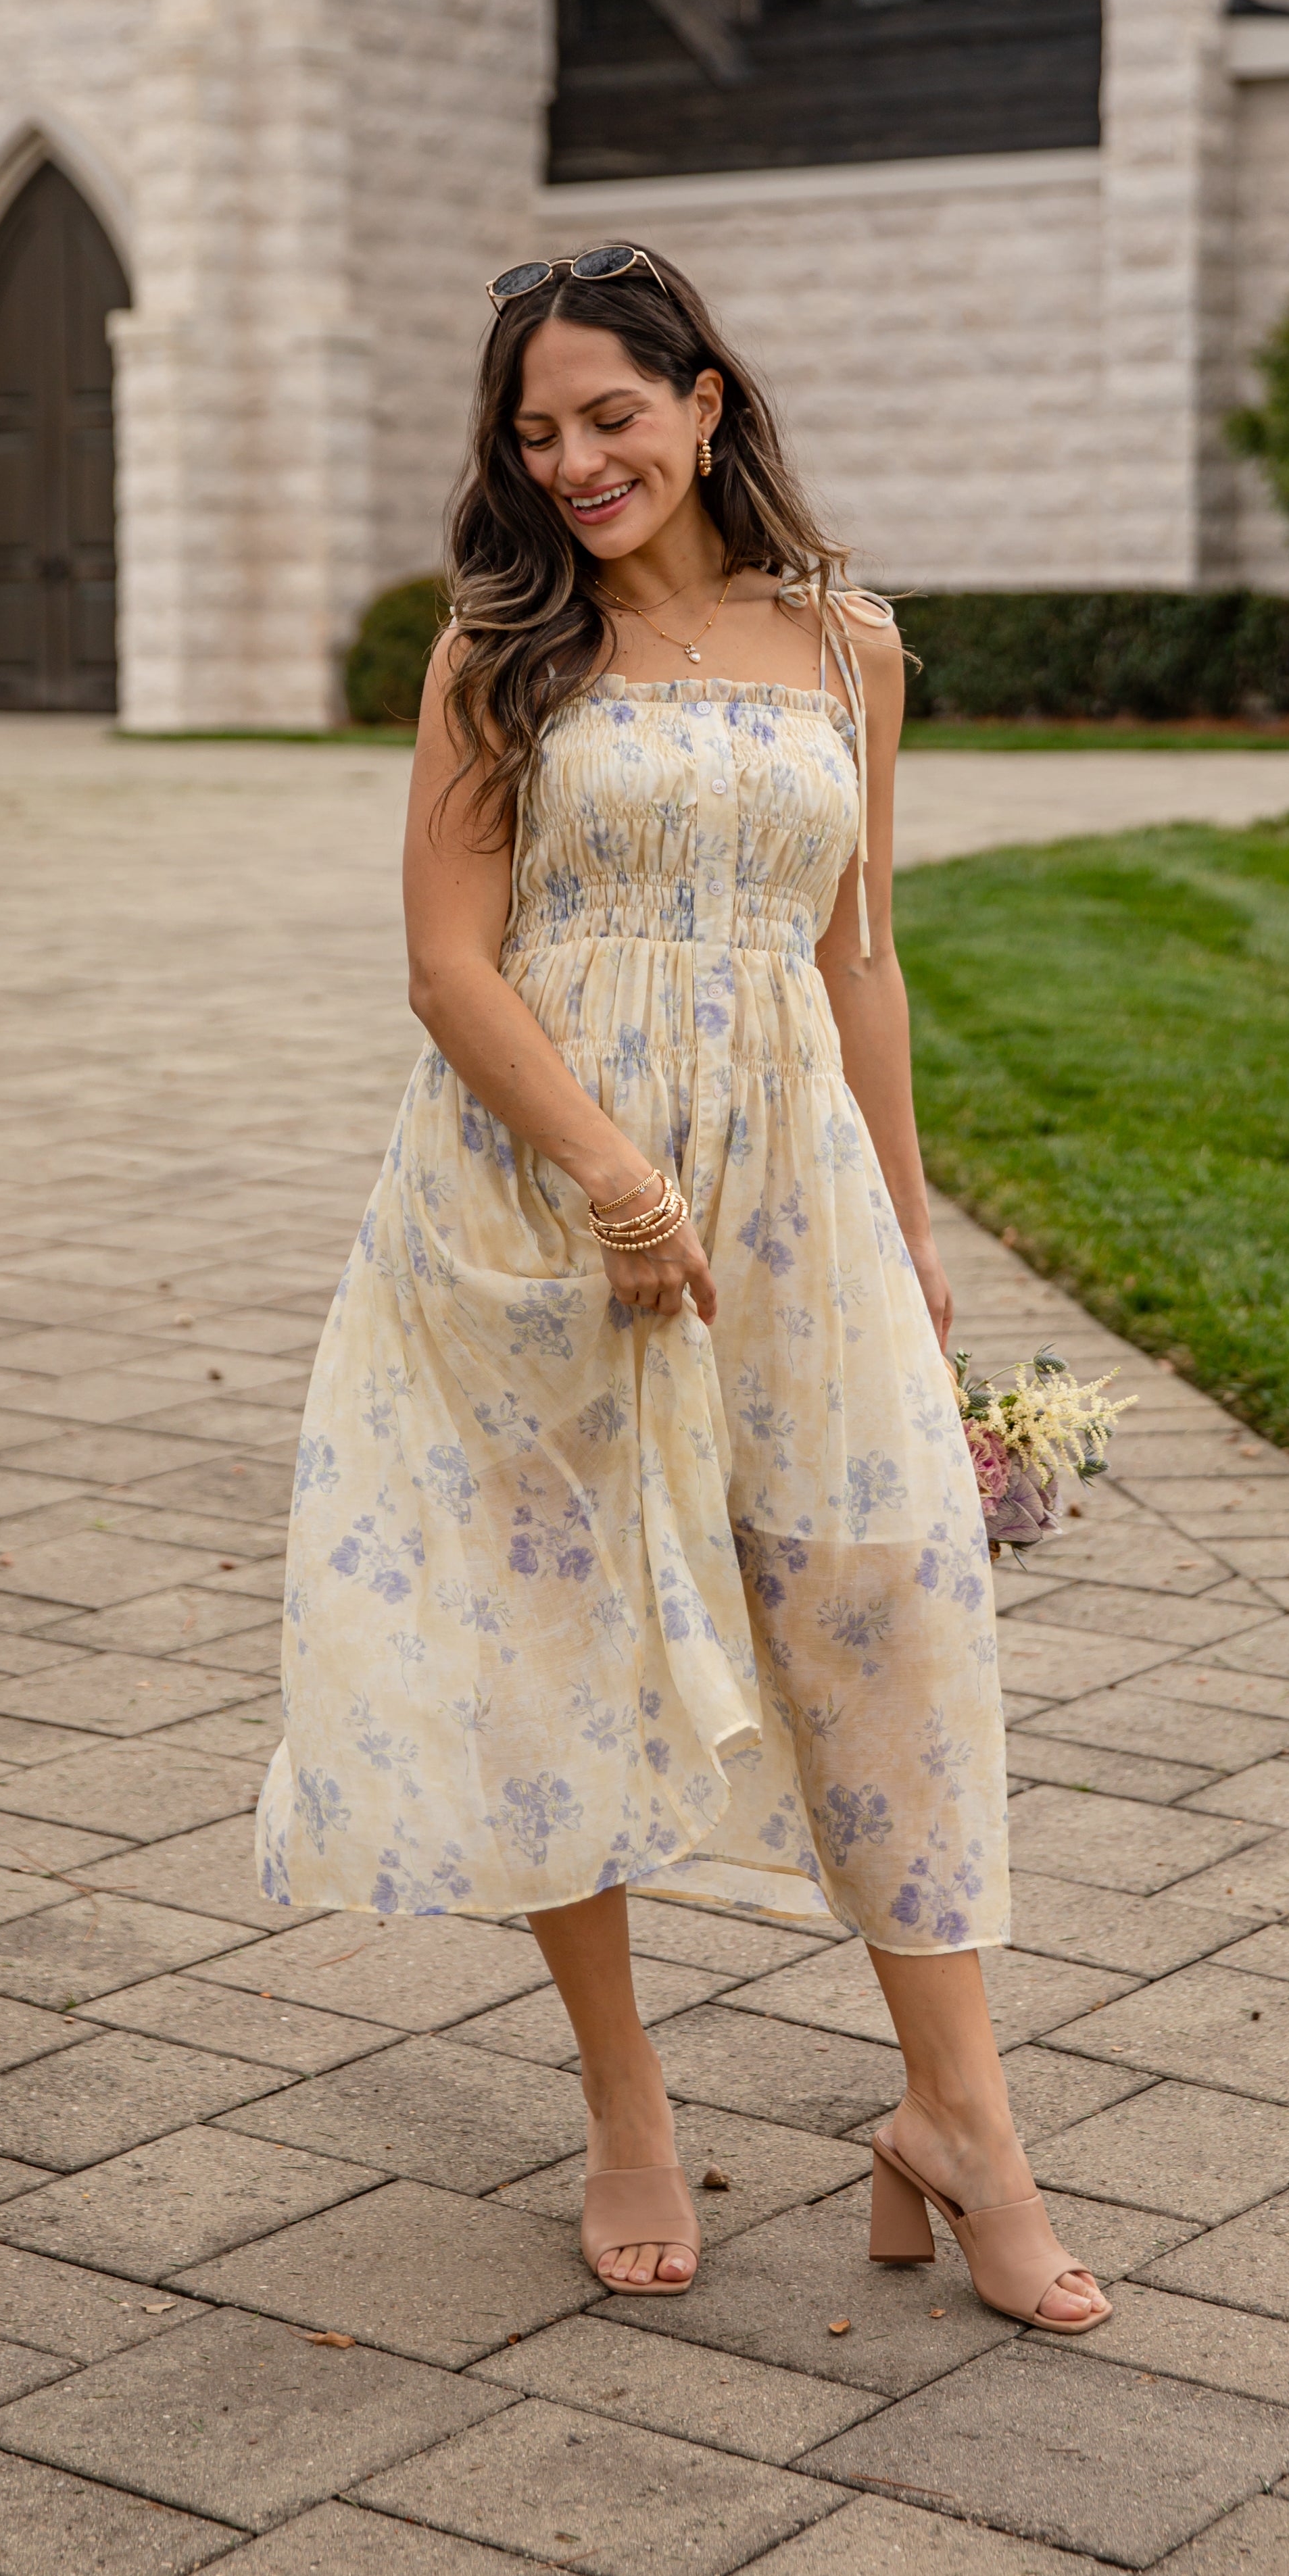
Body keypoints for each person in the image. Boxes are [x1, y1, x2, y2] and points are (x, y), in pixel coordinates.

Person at [258, 243, 1108, 2333]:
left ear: (702, 404)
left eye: (609, 417)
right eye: (534, 435)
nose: (574, 463)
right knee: (561, 1633)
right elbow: (449, 961)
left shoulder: (849, 648)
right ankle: (625, 2105)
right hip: (537, 1204)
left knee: (886, 1605)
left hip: (793, 1202)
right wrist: (616, 1180)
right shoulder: (496, 658)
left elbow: (858, 958)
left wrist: (907, 1239)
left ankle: (958, 2124)